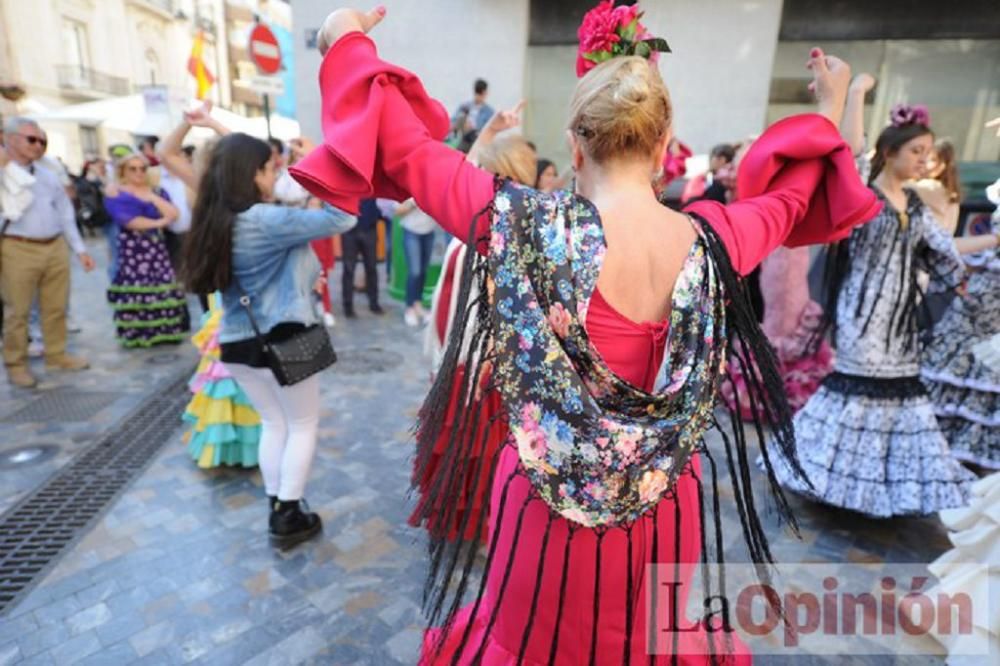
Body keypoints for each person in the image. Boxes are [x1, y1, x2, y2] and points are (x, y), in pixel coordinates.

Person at [296, 8, 879, 663]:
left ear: (574, 146)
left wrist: (344, 37)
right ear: (665, 147)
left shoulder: (518, 225)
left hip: (542, 515)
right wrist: (831, 107)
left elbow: (404, 149)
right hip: (665, 513)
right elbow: (795, 195)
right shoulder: (718, 238)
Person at [767, 105, 977, 518]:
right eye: (916, 150)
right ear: (890, 151)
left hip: (900, 319)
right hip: (862, 313)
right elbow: (851, 153)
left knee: (899, 396)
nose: (923, 159)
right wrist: (858, 93)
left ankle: (874, 489)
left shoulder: (915, 205)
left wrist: (990, 245)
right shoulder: (863, 194)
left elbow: (945, 250)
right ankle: (828, 478)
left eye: (927, 152)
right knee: (857, 392)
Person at [182, 132, 355, 547]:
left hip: (237, 342)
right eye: (270, 167)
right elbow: (341, 218)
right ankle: (288, 513)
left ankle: (278, 503)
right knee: (302, 424)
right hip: (285, 338)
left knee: (274, 423)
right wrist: (320, 163)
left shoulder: (213, 220)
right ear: (253, 173)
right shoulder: (263, 219)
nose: (275, 174)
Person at [414, 107, 535, 546]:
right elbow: (456, 177)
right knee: (469, 452)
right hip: (462, 362)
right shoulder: (485, 219)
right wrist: (488, 131)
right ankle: (475, 529)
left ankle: (484, 534)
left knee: (478, 453)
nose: (470, 176)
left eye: (481, 171)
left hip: (478, 367)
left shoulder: (499, 232)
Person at [1, 117, 94, 388]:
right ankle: (16, 363)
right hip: (17, 246)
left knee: (55, 306)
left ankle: (56, 353)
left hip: (54, 246)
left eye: (42, 140)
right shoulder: (3, 173)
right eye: (32, 139)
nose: (38, 145)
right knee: (17, 311)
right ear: (11, 139)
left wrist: (79, 248)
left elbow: (65, 214)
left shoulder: (48, 175)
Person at [921, 183, 1000, 470]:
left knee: (986, 365)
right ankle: (948, 449)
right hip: (980, 293)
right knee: (962, 359)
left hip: (992, 301)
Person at [104, 154, 189, 348]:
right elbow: (128, 220)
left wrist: (151, 196)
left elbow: (174, 213)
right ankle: (139, 334)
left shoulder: (157, 191)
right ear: (123, 171)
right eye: (132, 169)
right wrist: (159, 222)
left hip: (156, 249)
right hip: (133, 250)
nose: (138, 173)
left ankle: (165, 332)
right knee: (136, 288)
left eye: (142, 168)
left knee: (162, 285)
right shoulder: (116, 192)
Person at [183, 292, 262, 468]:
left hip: (234, 305)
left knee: (229, 377)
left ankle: (238, 447)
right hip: (230, 305)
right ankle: (238, 448)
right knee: (226, 377)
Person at [341, 198, 383, 318]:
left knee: (371, 268)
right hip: (349, 230)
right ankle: (347, 306)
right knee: (348, 270)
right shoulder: (345, 181)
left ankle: (374, 303)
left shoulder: (373, 181)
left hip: (369, 228)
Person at [913, 138, 962, 235]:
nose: (924, 163)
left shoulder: (931, 187)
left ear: (942, 166)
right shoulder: (949, 190)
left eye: (932, 160)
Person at [451, 78, 494, 152]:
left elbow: (490, 130)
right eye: (477, 94)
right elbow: (453, 122)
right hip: (464, 137)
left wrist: (474, 128)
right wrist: (464, 123)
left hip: (478, 140)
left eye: (481, 94)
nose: (479, 97)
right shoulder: (464, 106)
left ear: (485, 93)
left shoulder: (489, 112)